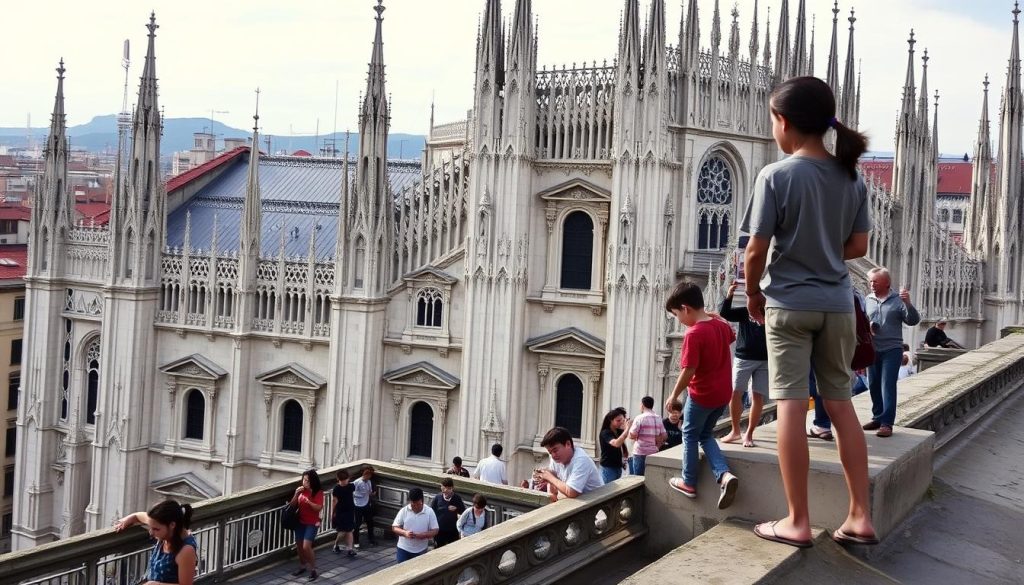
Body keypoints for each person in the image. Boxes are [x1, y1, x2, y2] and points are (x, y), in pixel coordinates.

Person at [741, 75, 877, 548]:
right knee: (841, 406)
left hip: (789, 305)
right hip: (838, 306)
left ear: (784, 122)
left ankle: (797, 521)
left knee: (792, 407)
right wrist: (822, 249)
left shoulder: (776, 176)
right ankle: (860, 516)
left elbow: (755, 251)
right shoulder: (851, 176)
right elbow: (859, 246)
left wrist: (753, 294)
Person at [663, 281, 739, 509]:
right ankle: (724, 475)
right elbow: (732, 335)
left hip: (702, 395)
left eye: (677, 314)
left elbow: (688, 370)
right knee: (705, 434)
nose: (679, 320)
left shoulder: (694, 333)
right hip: (723, 394)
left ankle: (688, 482)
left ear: (685, 308)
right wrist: (718, 317)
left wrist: (673, 395)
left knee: (689, 435)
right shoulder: (719, 325)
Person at [864, 267, 920, 438]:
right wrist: (868, 326)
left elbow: (913, 320)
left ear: (887, 283)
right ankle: (877, 417)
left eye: (875, 281)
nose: (872, 284)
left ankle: (887, 423)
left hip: (892, 349)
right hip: (872, 348)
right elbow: (862, 320)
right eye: (870, 281)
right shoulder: (868, 299)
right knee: (873, 384)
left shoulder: (898, 300)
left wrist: (908, 303)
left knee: (887, 385)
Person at [719, 281, 770, 448]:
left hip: (764, 359)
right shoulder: (745, 311)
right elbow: (725, 313)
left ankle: (749, 433)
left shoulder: (771, 312)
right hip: (744, 358)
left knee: (757, 396)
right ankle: (735, 430)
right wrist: (729, 295)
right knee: (735, 393)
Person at [115, 500, 197, 585]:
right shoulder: (161, 527)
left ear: (172, 525)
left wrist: (155, 584)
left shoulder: (186, 550)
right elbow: (139, 516)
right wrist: (131, 518)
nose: (151, 532)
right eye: (150, 527)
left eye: (156, 529)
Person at [534, 426, 604, 502]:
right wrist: (547, 479)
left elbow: (571, 492)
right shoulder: (555, 458)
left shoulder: (581, 460)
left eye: (555, 450)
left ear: (568, 444)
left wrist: (549, 477)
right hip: (578, 502)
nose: (553, 455)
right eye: (550, 452)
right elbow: (553, 487)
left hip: (595, 503)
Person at [289, 469, 324, 581]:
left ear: (313, 481)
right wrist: (296, 494)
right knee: (299, 546)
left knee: (306, 546)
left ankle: (313, 569)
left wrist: (309, 502)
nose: (305, 482)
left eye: (307, 481)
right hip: (300, 521)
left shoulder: (318, 492)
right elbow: (292, 505)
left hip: (312, 522)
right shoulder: (301, 490)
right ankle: (302, 565)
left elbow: (318, 508)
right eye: (304, 480)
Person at [392, 487, 439, 563]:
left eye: (418, 504)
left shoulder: (429, 512)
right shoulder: (404, 510)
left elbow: (435, 530)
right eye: (413, 505)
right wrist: (404, 533)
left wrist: (424, 535)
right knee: (402, 568)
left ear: (422, 501)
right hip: (403, 548)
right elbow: (394, 527)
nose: (416, 507)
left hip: (421, 549)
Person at [627, 396, 666, 476]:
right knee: (652, 477)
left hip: (640, 452)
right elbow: (664, 436)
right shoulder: (658, 418)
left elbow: (632, 435)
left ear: (642, 405)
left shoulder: (639, 418)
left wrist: (628, 427)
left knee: (638, 478)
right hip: (654, 452)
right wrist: (657, 446)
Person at [429, 477, 466, 548]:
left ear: (452, 488)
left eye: (448, 489)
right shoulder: (437, 497)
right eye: (443, 488)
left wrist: (456, 509)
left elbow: (463, 511)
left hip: (452, 530)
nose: (445, 491)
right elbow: (431, 512)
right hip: (440, 530)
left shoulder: (457, 498)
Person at [598, 408, 631, 483]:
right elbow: (616, 443)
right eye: (618, 421)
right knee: (609, 489)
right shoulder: (605, 433)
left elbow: (629, 437)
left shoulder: (618, 431)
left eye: (622, 420)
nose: (620, 423)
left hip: (618, 466)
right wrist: (627, 429)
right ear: (611, 420)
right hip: (608, 467)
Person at [331, 469, 356, 557]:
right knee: (342, 532)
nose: (345, 481)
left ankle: (350, 549)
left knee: (349, 530)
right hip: (340, 512)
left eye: (346, 479)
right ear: (339, 479)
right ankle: (336, 544)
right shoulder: (336, 489)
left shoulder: (351, 486)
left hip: (350, 511)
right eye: (343, 480)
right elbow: (334, 501)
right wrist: (333, 512)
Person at [352, 466, 378, 548]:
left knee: (370, 522)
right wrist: (362, 495)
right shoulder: (357, 482)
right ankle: (356, 541)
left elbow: (369, 491)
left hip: (366, 503)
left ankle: (371, 539)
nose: (368, 478)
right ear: (364, 475)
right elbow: (352, 493)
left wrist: (371, 494)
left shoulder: (369, 482)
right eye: (367, 476)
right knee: (357, 524)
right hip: (358, 505)